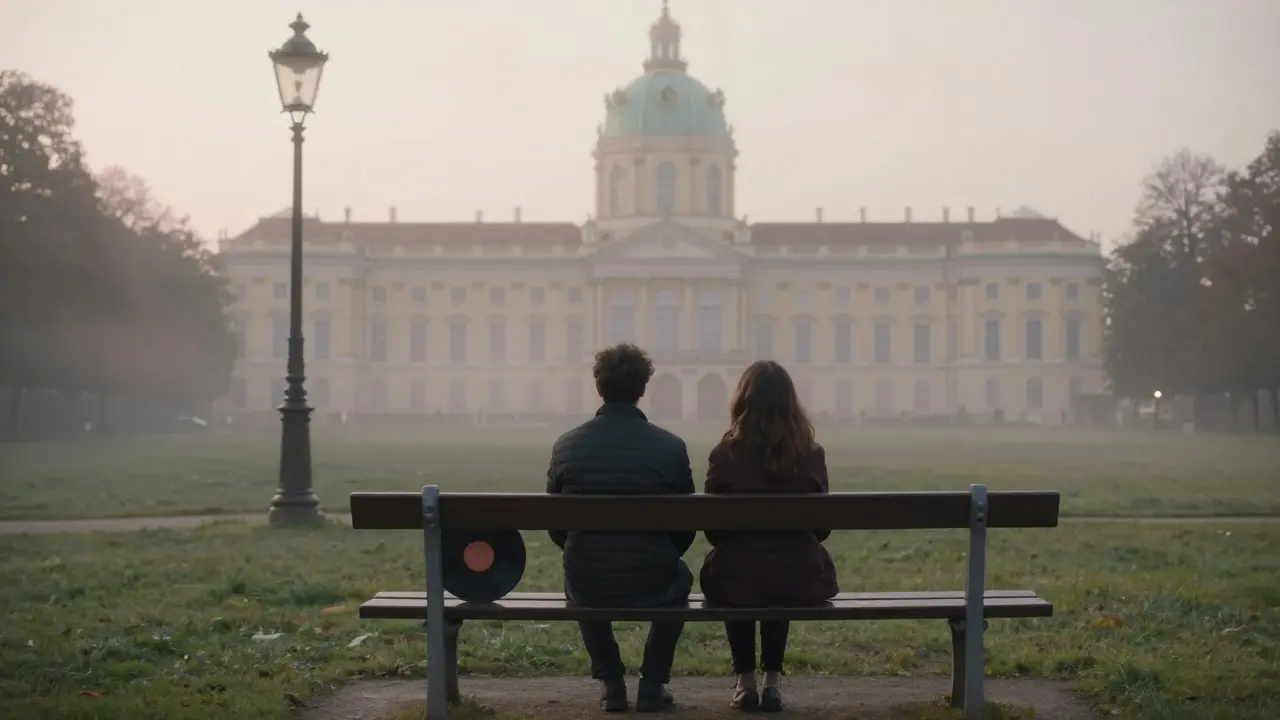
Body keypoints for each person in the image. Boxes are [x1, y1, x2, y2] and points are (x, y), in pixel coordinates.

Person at [546, 343, 695, 713]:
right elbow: (687, 525)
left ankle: (612, 683)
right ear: (642, 389)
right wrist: (665, 553)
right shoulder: (670, 447)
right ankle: (653, 682)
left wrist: (577, 547)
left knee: (578, 575)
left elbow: (556, 526)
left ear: (599, 386)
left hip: (589, 576)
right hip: (653, 576)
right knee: (680, 580)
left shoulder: (567, 445)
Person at [699, 360, 839, 713]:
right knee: (782, 564)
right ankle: (772, 682)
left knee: (740, 567)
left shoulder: (724, 453)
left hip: (736, 580)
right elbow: (821, 528)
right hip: (800, 580)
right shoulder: (810, 454)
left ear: (742, 402)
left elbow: (713, 531)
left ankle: (745, 682)